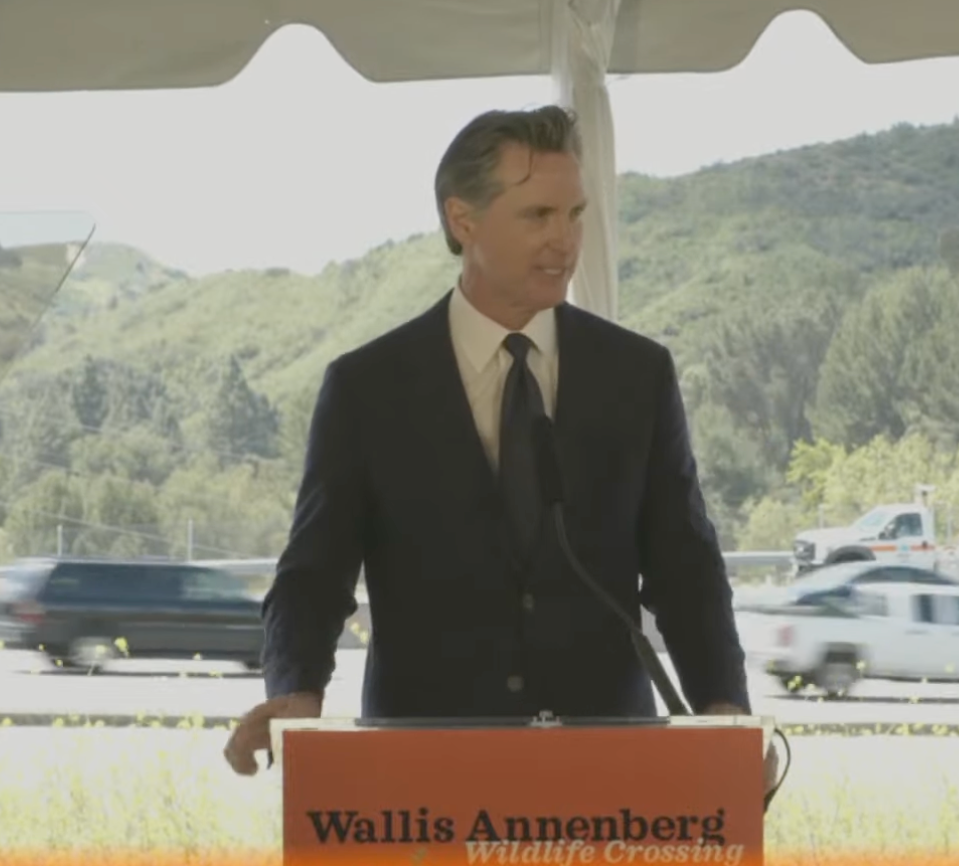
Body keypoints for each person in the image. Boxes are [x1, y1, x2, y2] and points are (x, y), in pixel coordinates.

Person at [223, 104, 758, 778]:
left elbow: (686, 567)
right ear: (463, 219)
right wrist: (294, 694)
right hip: (423, 772)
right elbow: (314, 574)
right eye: (537, 215)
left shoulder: (637, 375)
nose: (565, 241)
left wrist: (722, 710)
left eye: (575, 214)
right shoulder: (368, 388)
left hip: (610, 769)